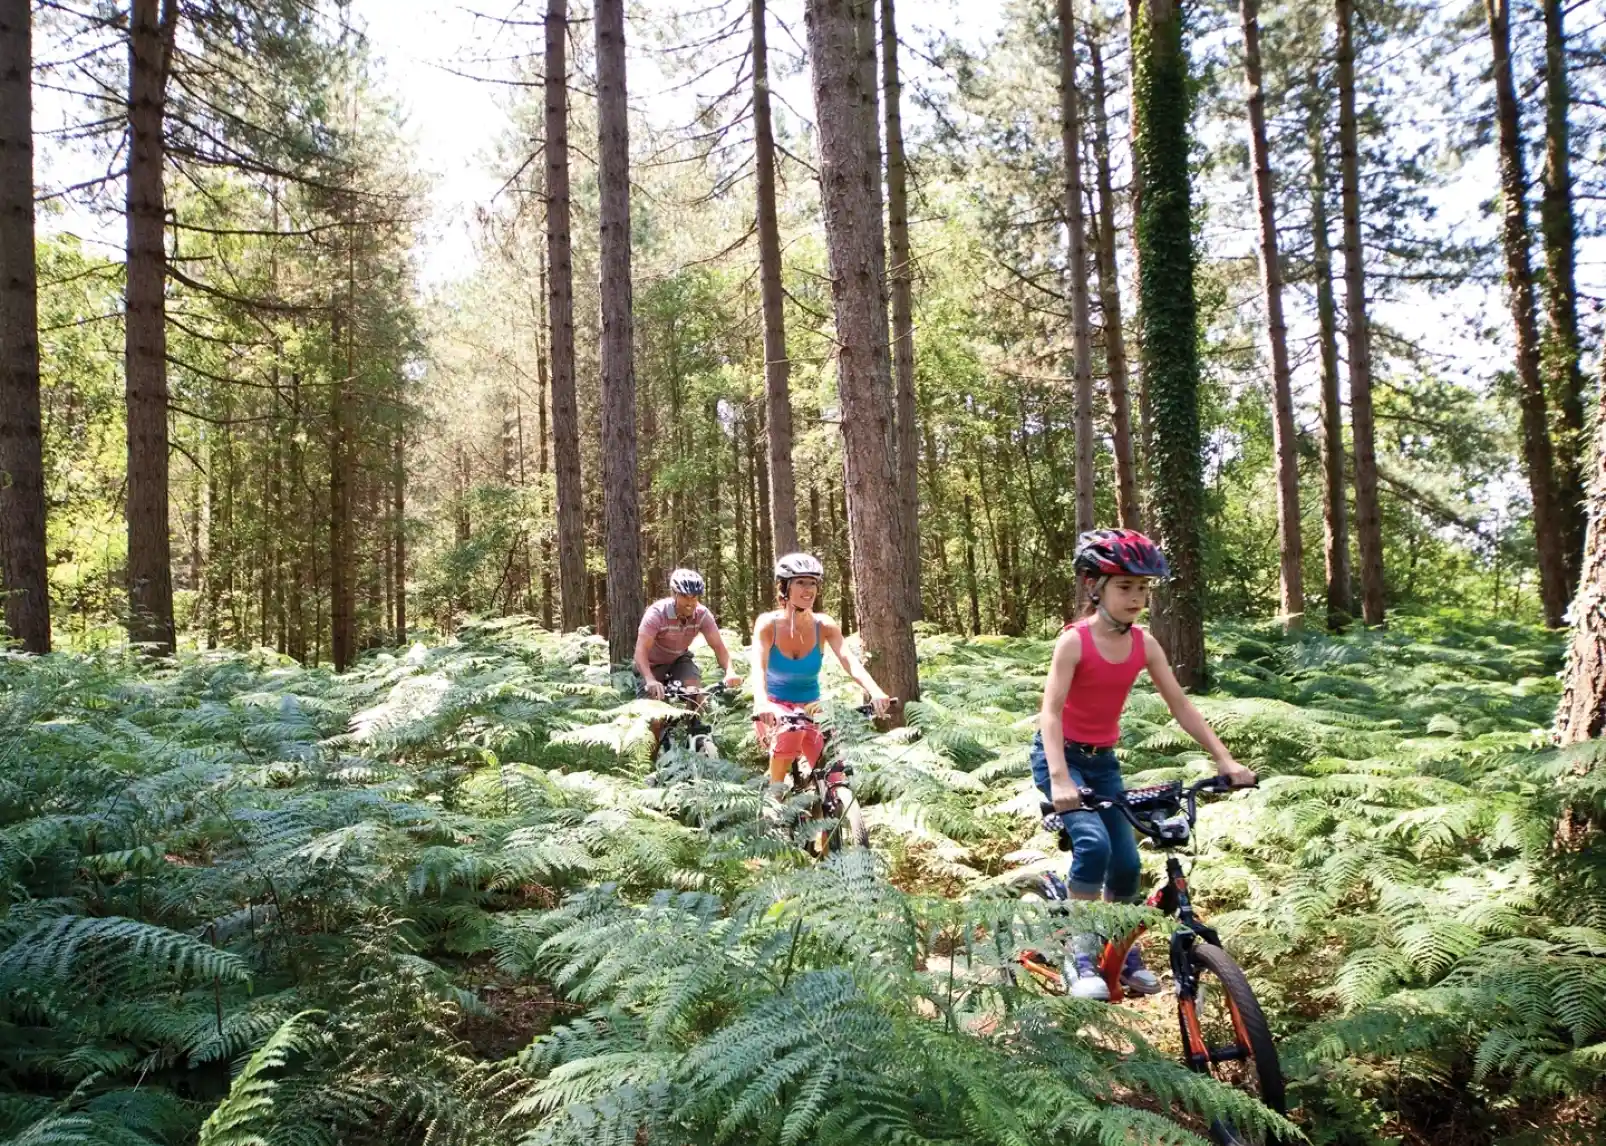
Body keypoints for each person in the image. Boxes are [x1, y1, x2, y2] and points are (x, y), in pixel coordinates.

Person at [1035, 528, 1256, 1001]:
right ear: (1094, 586)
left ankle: (1122, 951)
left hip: (1103, 764)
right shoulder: (1074, 642)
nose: (1136, 598)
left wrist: (1225, 760)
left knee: (1128, 863)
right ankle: (1079, 952)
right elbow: (1050, 713)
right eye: (1124, 587)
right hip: (1061, 758)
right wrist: (1058, 778)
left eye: (1142, 588)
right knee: (1093, 846)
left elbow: (1181, 706)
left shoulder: (1145, 645)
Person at [750, 553, 893, 789]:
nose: (808, 589)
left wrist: (875, 691)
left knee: (834, 769)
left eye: (813, 583)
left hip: (810, 705)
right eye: (800, 582)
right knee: (790, 731)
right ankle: (773, 798)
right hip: (774, 706)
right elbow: (759, 666)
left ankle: (832, 807)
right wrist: (761, 702)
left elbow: (850, 661)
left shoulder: (824, 625)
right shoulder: (768, 624)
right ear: (785, 587)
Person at [633, 568, 742, 701]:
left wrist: (730, 672)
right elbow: (641, 651)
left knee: (695, 693)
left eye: (694, 597)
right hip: (652, 664)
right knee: (655, 714)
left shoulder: (702, 615)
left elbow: (719, 647)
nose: (690, 603)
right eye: (684, 596)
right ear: (674, 594)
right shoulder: (657, 614)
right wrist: (650, 680)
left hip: (679, 660)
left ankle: (696, 721)